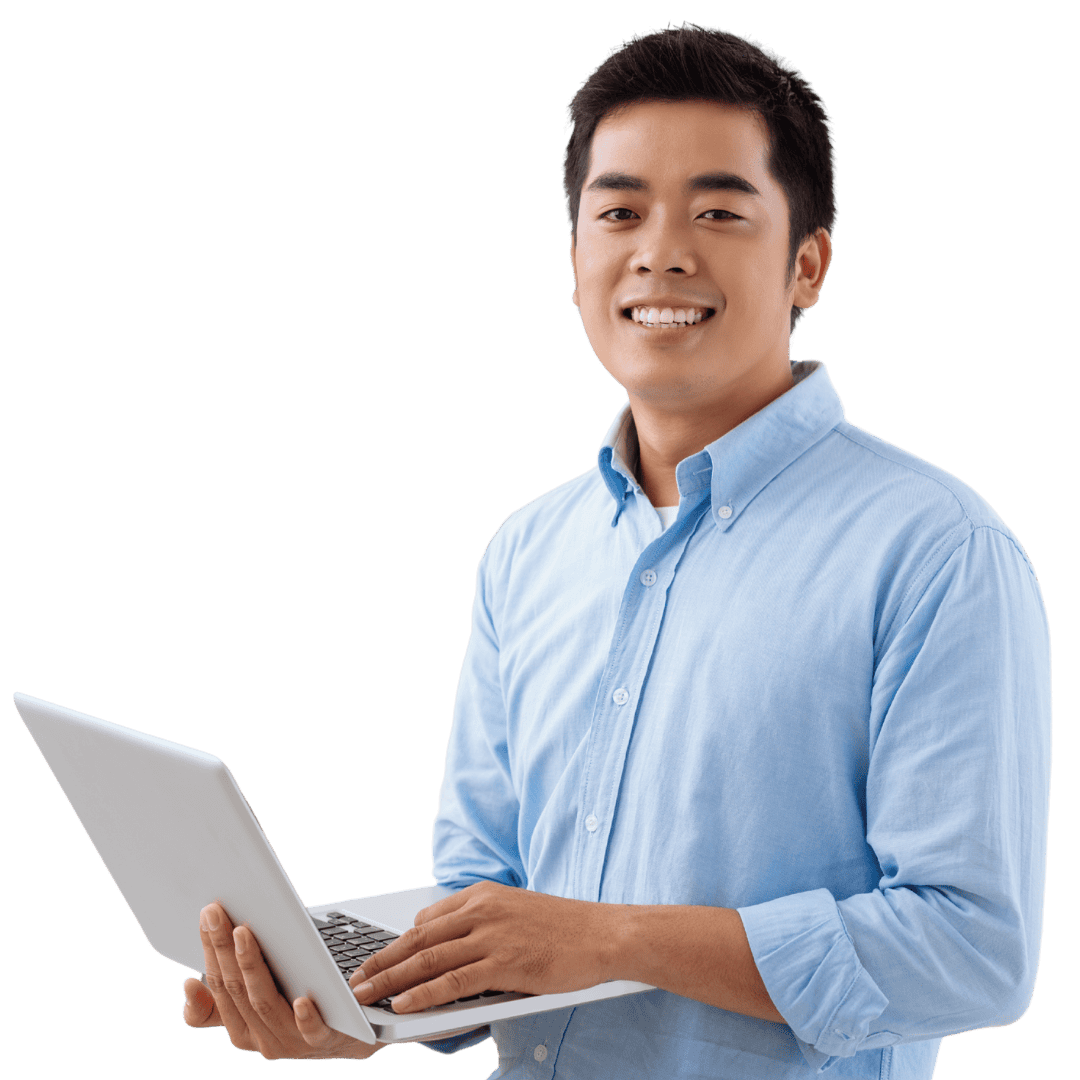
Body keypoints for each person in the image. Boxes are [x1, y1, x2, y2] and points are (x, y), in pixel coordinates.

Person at [182, 23, 1052, 1077]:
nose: (662, 252)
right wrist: (357, 1010)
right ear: (576, 261)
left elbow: (973, 951)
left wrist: (612, 940)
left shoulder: (935, 550)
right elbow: (484, 889)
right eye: (621, 212)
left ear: (809, 263)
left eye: (720, 212)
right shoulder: (527, 551)